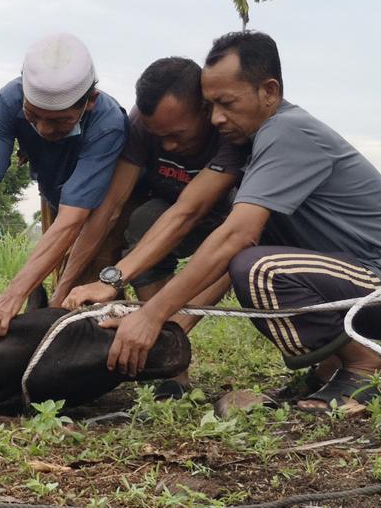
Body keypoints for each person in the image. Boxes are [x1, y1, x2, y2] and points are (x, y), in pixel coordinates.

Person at [102, 31, 381, 410]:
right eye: (210, 106)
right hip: (356, 282)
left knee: (258, 270)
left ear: (269, 91)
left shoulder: (287, 131)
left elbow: (235, 238)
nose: (217, 118)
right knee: (253, 262)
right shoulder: (258, 143)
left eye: (226, 103)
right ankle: (330, 369)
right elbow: (210, 236)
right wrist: (169, 322)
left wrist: (152, 314)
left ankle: (367, 369)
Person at [50, 57, 249, 397]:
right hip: (169, 208)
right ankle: (175, 373)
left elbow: (189, 213)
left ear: (204, 110)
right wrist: (64, 288)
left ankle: (169, 340)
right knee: (142, 223)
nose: (168, 146)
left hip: (228, 218)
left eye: (176, 135)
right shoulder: (141, 125)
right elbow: (111, 206)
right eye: (160, 137)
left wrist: (162, 323)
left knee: (237, 253)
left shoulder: (228, 133)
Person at [0, 33, 128, 340]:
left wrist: (12, 296)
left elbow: (77, 218)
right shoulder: (9, 99)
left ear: (90, 102)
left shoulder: (107, 122)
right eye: (33, 117)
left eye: (60, 121)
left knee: (86, 288)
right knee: (55, 273)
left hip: (101, 207)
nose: (45, 130)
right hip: (54, 196)